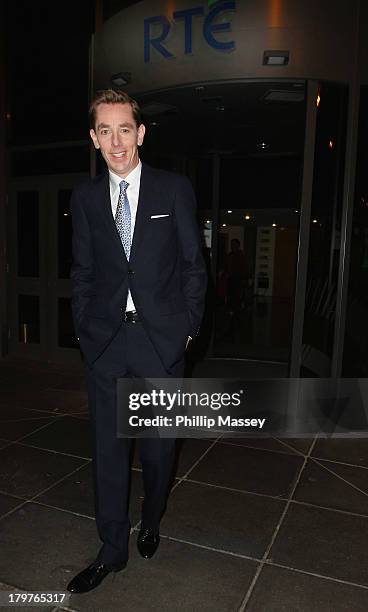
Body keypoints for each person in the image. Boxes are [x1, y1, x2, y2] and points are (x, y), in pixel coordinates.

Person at [67, 89, 207, 593]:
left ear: (141, 133)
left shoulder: (172, 190)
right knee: (107, 453)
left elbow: (194, 266)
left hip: (159, 344)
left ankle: (151, 517)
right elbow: (82, 273)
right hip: (106, 344)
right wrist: (86, 332)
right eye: (105, 130)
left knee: (156, 453)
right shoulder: (84, 199)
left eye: (124, 128)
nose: (116, 140)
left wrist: (186, 328)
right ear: (94, 138)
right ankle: (112, 549)